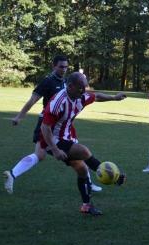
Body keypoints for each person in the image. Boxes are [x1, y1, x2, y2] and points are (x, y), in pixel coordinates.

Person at [3, 55, 102, 194]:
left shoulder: (68, 82)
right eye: (61, 67)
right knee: (51, 154)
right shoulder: (48, 81)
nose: (64, 69)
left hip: (62, 125)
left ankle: (12, 174)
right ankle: (12, 174)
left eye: (66, 67)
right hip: (47, 123)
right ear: (53, 66)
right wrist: (19, 116)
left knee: (49, 155)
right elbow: (33, 100)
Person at [40, 72, 127, 216]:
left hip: (67, 137)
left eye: (85, 88)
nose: (84, 91)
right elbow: (44, 127)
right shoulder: (58, 102)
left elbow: (96, 96)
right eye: (81, 88)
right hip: (51, 140)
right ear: (70, 86)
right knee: (84, 151)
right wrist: (54, 149)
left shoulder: (80, 96)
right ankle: (114, 178)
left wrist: (114, 98)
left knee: (82, 169)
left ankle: (86, 206)